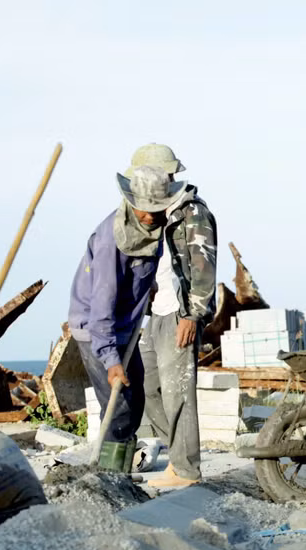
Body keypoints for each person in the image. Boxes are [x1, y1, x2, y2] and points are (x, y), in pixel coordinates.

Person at [68, 164, 185, 471]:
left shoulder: (154, 228)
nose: (151, 215)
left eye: (157, 209)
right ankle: (109, 476)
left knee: (134, 404)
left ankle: (121, 472)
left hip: (125, 326)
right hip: (97, 331)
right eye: (145, 209)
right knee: (118, 409)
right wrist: (111, 361)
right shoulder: (111, 240)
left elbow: (140, 274)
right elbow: (101, 307)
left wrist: (149, 287)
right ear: (132, 202)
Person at [129, 144, 218, 487]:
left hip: (180, 314)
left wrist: (193, 316)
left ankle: (186, 469)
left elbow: (203, 267)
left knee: (178, 392)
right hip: (157, 313)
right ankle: (177, 454)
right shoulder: (156, 214)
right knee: (148, 385)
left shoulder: (191, 213)